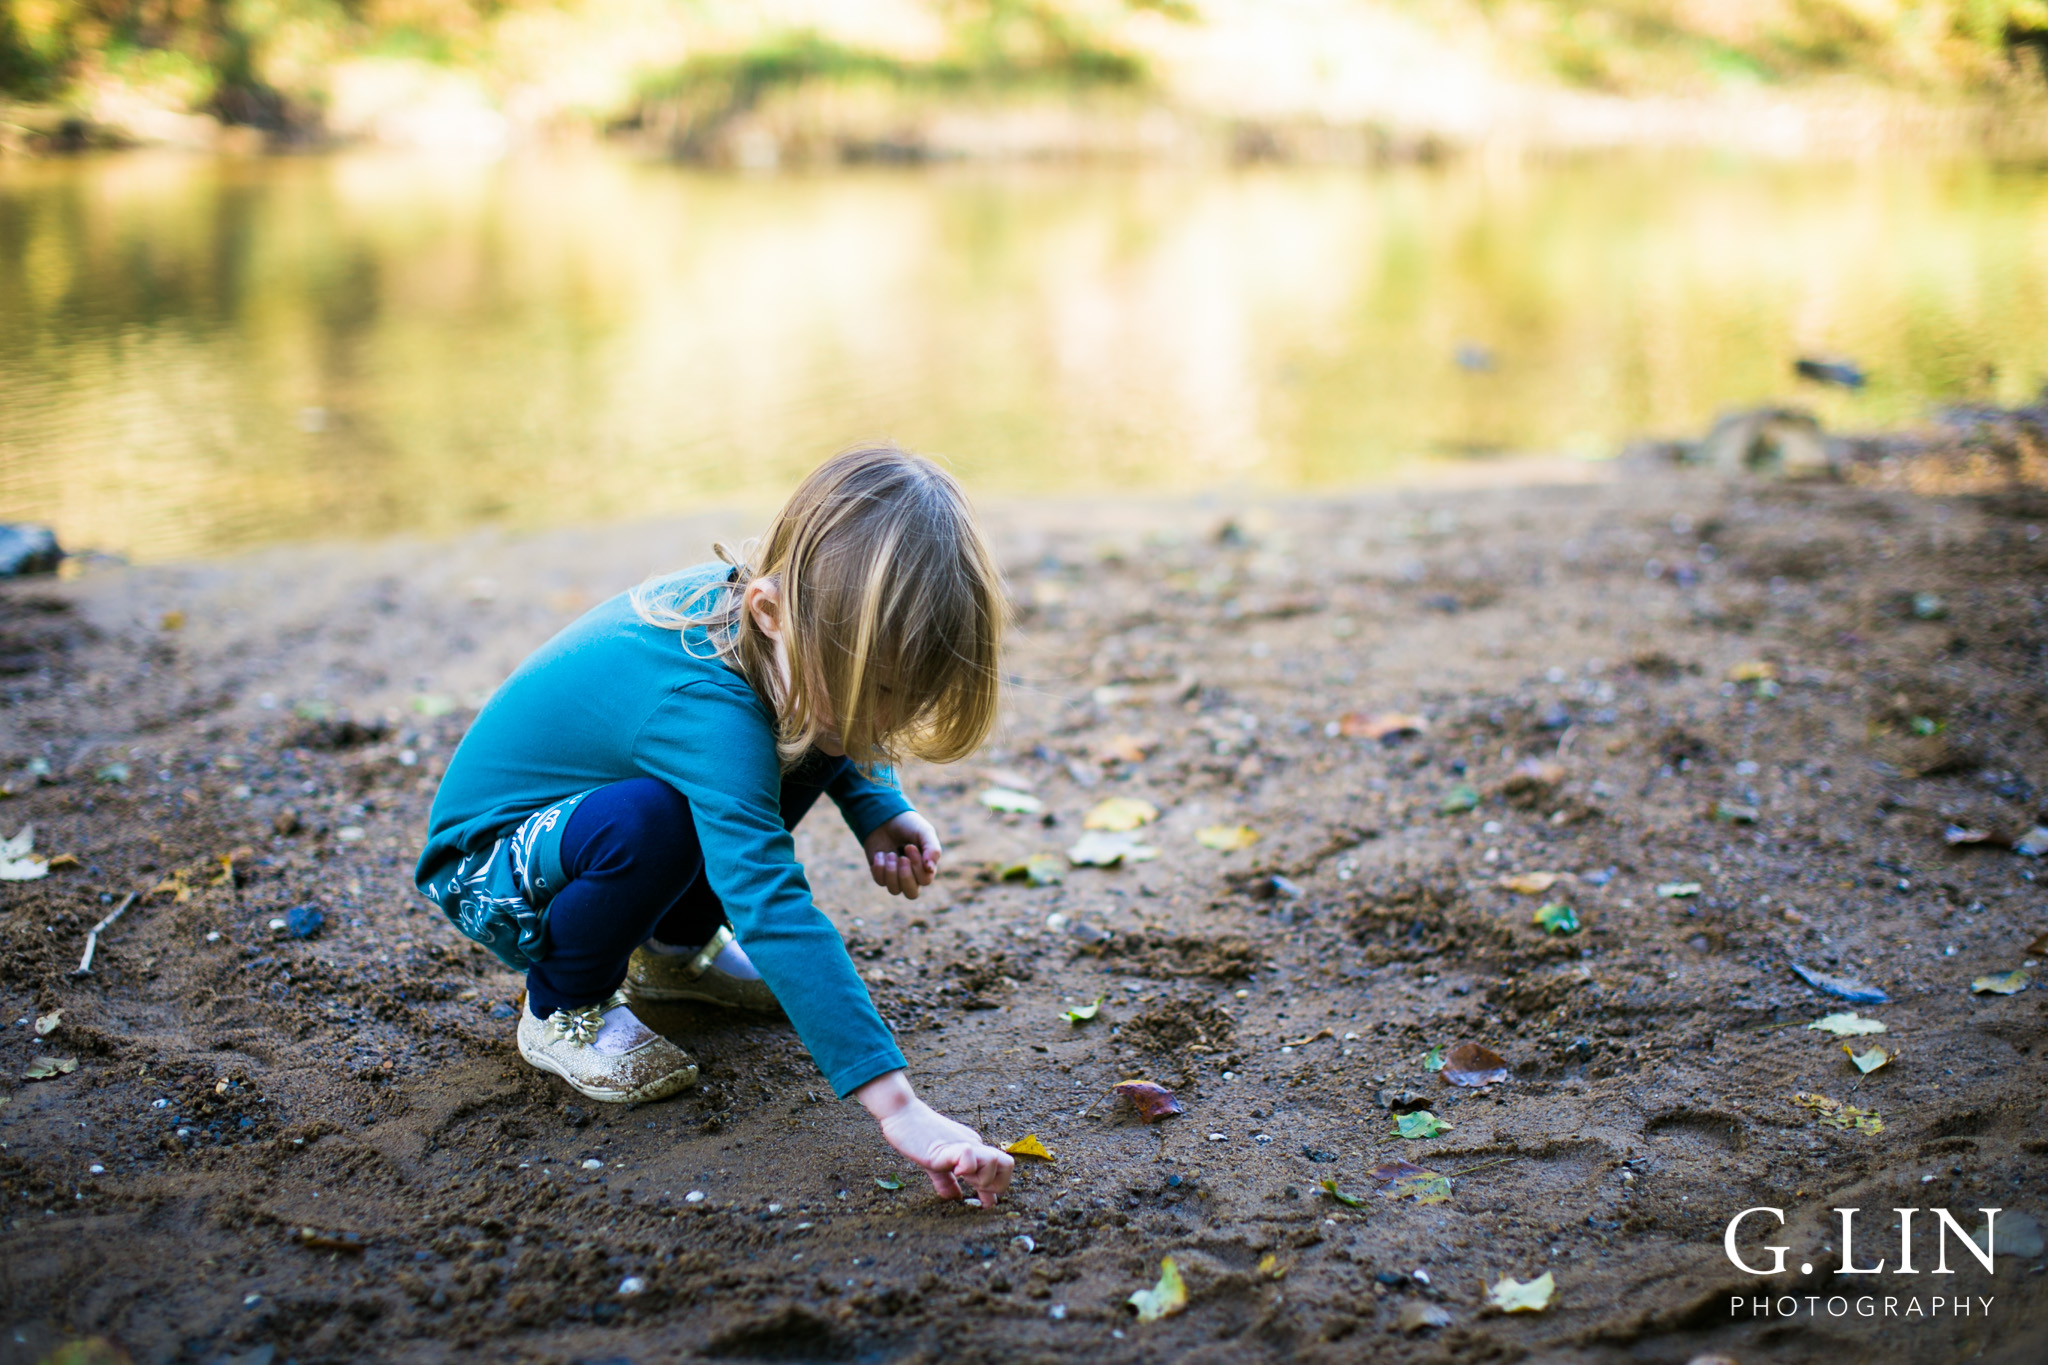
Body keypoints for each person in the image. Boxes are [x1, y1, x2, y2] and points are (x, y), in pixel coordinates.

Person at [414, 444, 1014, 1206]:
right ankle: (562, 1005)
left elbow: (838, 729)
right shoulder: (708, 707)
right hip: (490, 865)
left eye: (907, 698)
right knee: (662, 815)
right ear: (767, 609)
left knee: (814, 730)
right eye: (878, 691)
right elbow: (768, 899)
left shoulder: (782, 629)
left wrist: (878, 805)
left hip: (579, 835)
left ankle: (673, 947)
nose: (886, 724)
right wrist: (899, 1105)